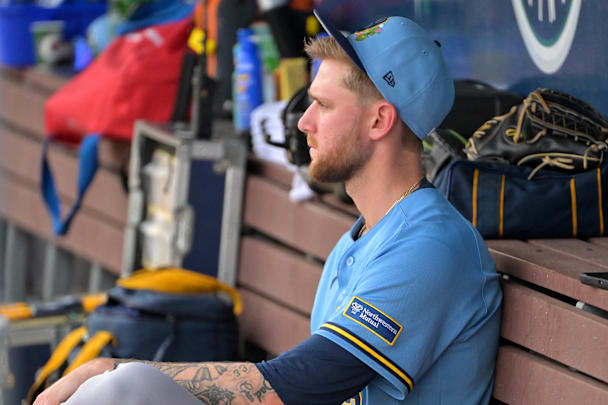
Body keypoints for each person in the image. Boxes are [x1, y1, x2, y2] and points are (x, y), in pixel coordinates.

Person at [34, 11, 502, 405]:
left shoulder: (432, 246)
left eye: (322, 105)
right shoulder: (360, 239)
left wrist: (118, 368)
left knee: (126, 388)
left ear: (380, 120)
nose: (303, 121)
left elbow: (307, 381)